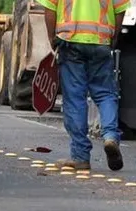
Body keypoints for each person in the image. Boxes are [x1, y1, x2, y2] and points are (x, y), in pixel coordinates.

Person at [36, 0, 130, 171]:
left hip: (70, 41)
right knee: (105, 94)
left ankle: (80, 156)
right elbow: (120, 9)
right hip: (101, 41)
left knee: (75, 98)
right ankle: (110, 136)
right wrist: (113, 38)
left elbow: (49, 8)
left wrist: (52, 38)